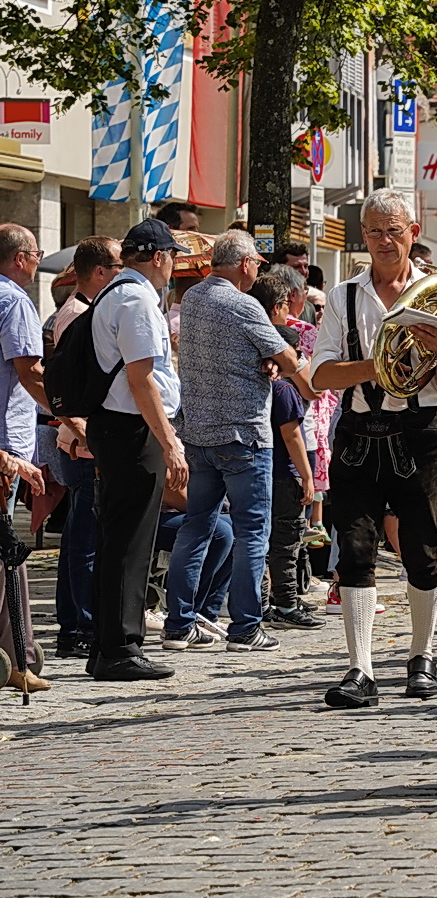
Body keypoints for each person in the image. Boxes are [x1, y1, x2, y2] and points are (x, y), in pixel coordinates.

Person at [310, 188, 437, 708]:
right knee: (354, 551)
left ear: (413, 233)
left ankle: (422, 654)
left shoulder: (436, 293)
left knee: (423, 551)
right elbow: (320, 375)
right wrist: (378, 367)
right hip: (357, 435)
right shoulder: (343, 295)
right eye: (373, 232)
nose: (383, 241)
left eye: (393, 230)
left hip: (418, 433)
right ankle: (360, 668)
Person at [161, 231, 309, 654]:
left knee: (197, 527)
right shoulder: (244, 304)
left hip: (199, 433)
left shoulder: (192, 299)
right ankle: (245, 628)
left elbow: (228, 352)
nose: (257, 271)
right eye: (258, 264)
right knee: (252, 532)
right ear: (245, 263)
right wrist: (276, 363)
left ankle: (179, 625)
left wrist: (260, 361)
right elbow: (289, 359)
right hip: (244, 435)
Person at [85, 219, 192, 681]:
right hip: (130, 430)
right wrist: (169, 442)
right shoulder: (136, 299)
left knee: (120, 540)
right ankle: (120, 648)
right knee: (130, 543)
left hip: (122, 427)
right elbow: (141, 377)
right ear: (158, 256)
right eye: (172, 255)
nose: (174, 266)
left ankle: (110, 643)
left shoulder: (121, 293)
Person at [49, 237, 123, 659]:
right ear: (99, 271)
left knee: (82, 538)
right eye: (116, 265)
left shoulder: (88, 310)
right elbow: (66, 387)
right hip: (82, 444)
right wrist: (82, 433)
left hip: (85, 440)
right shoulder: (78, 313)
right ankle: (79, 627)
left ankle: (76, 625)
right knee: (84, 541)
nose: (121, 271)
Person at [0, 224, 52, 692]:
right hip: (5, 447)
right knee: (4, 551)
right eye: (36, 253)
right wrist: (66, 415)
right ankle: (13, 658)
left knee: (8, 552)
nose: (38, 261)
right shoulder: (14, 300)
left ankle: (18, 656)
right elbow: (30, 371)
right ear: (19, 258)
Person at [263, 325, 322, 628]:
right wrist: (307, 477)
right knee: (287, 541)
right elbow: (293, 436)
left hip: (261, 472)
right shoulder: (284, 390)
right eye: (296, 352)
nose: (299, 358)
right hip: (284, 475)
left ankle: (264, 602)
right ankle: (285, 604)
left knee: (263, 542)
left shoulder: (258, 385)